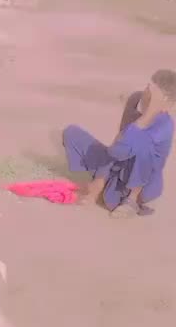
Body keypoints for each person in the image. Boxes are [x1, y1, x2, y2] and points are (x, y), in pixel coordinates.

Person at [62, 69, 176, 217]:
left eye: (152, 91)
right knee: (72, 133)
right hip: (117, 165)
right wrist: (101, 178)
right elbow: (116, 149)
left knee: (143, 146)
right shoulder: (136, 100)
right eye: (148, 87)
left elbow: (126, 150)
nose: (146, 91)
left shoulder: (165, 124)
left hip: (139, 185)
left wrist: (149, 113)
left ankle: (131, 201)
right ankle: (100, 185)